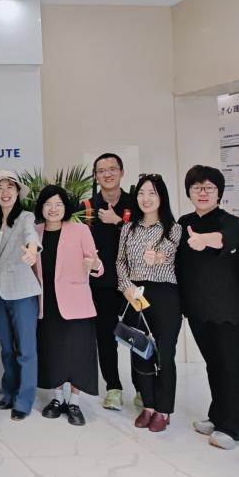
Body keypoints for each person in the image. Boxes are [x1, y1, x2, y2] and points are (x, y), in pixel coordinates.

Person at [177, 165, 239, 449]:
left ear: (219, 192)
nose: (203, 192)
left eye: (209, 188)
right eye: (197, 188)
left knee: (231, 367)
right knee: (214, 365)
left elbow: (224, 239)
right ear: (189, 192)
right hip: (198, 310)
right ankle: (217, 415)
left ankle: (232, 427)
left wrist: (202, 240)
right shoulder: (184, 222)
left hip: (230, 312)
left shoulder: (231, 222)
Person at [117, 174, 182, 433]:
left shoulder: (173, 228)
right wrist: (126, 287)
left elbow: (168, 255)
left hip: (165, 295)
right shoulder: (128, 228)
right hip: (136, 294)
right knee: (140, 350)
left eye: (152, 193)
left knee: (165, 353)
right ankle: (149, 405)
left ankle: (164, 410)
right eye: (142, 193)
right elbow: (120, 262)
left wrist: (158, 258)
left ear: (161, 197)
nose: (146, 198)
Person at [34, 185, 104, 427]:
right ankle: (57, 398)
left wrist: (94, 265)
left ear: (66, 207)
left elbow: (98, 265)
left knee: (77, 354)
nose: (53, 209)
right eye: (48, 204)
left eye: (58, 204)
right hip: (46, 302)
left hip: (76, 302)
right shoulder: (35, 232)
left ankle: (74, 401)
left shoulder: (80, 230)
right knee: (52, 350)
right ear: (41, 207)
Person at [0, 170, 41, 421]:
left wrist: (32, 250)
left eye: (10, 187)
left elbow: (31, 236)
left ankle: (24, 400)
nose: (5, 192)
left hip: (22, 290)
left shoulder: (26, 217)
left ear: (17, 192)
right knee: (6, 348)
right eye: (0, 188)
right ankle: (9, 393)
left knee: (26, 349)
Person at [86, 152, 140, 411]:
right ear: (96, 176)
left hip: (133, 283)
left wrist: (118, 222)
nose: (107, 174)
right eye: (101, 170)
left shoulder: (137, 203)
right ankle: (113, 387)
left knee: (137, 335)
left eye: (112, 169)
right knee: (105, 337)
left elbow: (144, 237)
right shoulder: (87, 207)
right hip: (101, 285)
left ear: (121, 172)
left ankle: (143, 388)